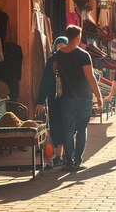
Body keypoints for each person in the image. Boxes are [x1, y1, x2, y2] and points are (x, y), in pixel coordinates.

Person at [53, 25, 103, 170]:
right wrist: (98, 96)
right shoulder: (83, 55)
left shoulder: (59, 54)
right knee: (81, 129)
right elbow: (90, 77)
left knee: (67, 130)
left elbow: (54, 71)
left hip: (66, 97)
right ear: (77, 37)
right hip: (83, 97)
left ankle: (68, 161)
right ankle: (77, 161)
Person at [36, 36, 68, 168]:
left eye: (63, 46)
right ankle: (59, 157)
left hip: (68, 100)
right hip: (54, 100)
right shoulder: (51, 61)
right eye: (58, 46)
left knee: (68, 127)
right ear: (54, 47)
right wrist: (40, 101)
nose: (60, 48)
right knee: (55, 127)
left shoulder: (70, 60)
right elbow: (45, 82)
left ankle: (67, 156)